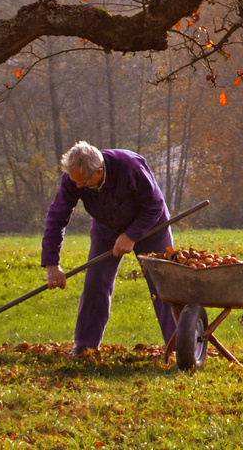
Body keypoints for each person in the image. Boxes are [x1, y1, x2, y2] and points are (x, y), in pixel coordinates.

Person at [41, 141, 177, 355]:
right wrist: (51, 264)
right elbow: (57, 218)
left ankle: (178, 345)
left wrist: (131, 236)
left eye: (83, 182)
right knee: (95, 282)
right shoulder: (73, 179)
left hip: (151, 226)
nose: (77, 187)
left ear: (99, 171)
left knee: (162, 284)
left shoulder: (129, 166)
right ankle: (85, 345)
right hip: (106, 228)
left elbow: (155, 205)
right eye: (74, 181)